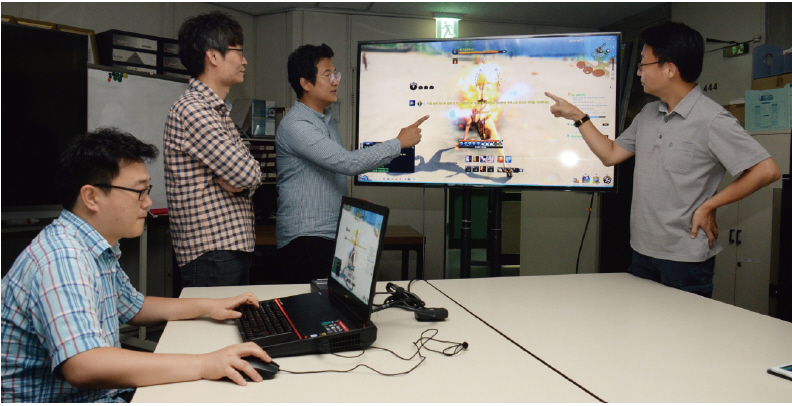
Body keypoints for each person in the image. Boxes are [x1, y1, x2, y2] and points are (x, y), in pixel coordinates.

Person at [1, 128, 272, 403]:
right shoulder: (63, 257)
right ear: (91, 197)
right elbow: (84, 365)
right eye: (139, 191)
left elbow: (135, 307)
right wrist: (204, 364)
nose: (148, 202)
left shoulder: (92, 245)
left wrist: (210, 306)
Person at [545, 22, 781, 297]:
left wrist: (710, 205)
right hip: (642, 252)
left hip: (685, 260)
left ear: (669, 69)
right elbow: (610, 154)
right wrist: (578, 117)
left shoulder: (712, 119)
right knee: (641, 322)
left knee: (683, 326)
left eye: (643, 64)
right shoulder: (648, 114)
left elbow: (767, 170)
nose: (639, 72)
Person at [276, 43, 428, 284]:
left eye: (336, 74)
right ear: (305, 83)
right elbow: (346, 162)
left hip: (326, 235)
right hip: (306, 239)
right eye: (328, 75)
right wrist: (398, 143)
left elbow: (332, 171)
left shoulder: (325, 121)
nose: (336, 81)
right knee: (312, 304)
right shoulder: (297, 125)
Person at [164, 11, 262, 288]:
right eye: (238, 51)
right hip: (212, 251)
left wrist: (242, 187)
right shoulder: (194, 109)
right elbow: (248, 173)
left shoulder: (216, 110)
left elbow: (250, 175)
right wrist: (245, 183)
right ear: (213, 56)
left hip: (223, 249)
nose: (244, 60)